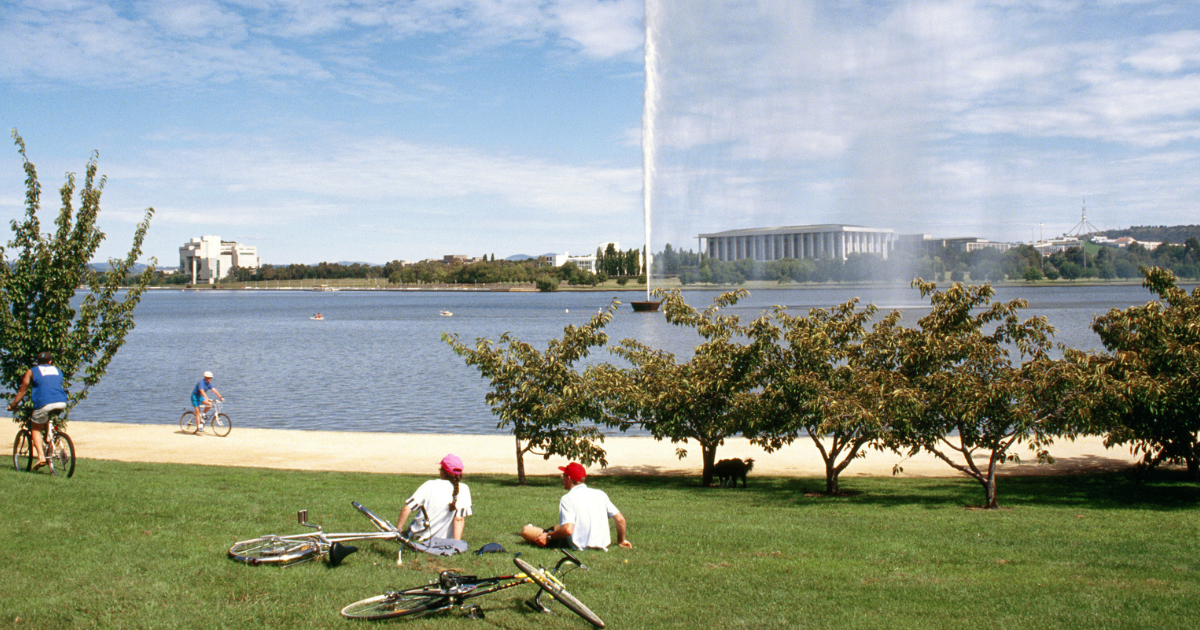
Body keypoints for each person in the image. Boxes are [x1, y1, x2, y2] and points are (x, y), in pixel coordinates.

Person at [520, 462, 632, 551]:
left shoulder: (567, 498)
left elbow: (568, 530)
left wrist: (548, 537)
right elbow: (620, 519)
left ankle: (539, 529)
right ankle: (548, 530)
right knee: (558, 526)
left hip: (576, 545)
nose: (562, 478)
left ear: (568, 478)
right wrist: (621, 541)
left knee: (526, 530)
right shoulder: (600, 494)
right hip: (601, 546)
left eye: (563, 475)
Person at [7, 351, 69, 471]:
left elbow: (22, 391)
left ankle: (41, 457)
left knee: (35, 428)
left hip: (43, 403)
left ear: (37, 362)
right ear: (50, 361)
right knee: (46, 418)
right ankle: (48, 439)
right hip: (61, 402)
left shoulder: (32, 371)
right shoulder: (58, 370)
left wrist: (14, 405)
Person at [398, 453, 473, 543]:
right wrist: (456, 544)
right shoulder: (464, 489)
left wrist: (398, 531)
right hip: (443, 541)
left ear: (443, 472)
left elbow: (406, 509)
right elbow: (459, 519)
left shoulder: (429, 484)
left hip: (418, 537)